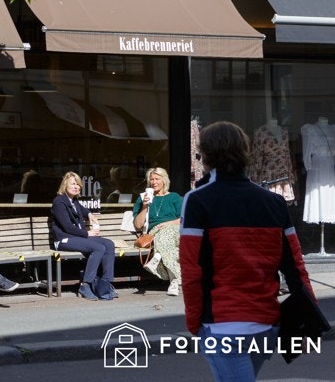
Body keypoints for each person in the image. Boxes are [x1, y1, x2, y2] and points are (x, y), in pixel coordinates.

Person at [182, 121, 315, 382]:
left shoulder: (197, 200)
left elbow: (191, 270)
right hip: (266, 323)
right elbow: (295, 267)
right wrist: (309, 315)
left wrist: (194, 322)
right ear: (245, 152)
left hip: (222, 323)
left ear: (206, 155)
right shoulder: (275, 202)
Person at [49, 171, 116, 301]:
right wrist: (87, 233)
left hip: (78, 238)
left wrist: (89, 214)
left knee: (109, 244)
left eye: (78, 185)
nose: (76, 187)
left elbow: (82, 209)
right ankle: (86, 284)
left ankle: (105, 284)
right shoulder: (59, 202)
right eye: (73, 184)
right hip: (64, 240)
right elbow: (67, 227)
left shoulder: (74, 201)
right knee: (98, 248)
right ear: (65, 185)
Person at [132, 166, 183, 296]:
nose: (154, 182)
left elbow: (184, 219)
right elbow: (138, 225)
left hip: (176, 230)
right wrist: (144, 206)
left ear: (164, 180)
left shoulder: (174, 197)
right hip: (156, 233)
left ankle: (157, 258)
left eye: (157, 179)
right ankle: (174, 282)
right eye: (151, 180)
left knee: (166, 236)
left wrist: (167, 223)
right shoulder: (143, 198)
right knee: (164, 240)